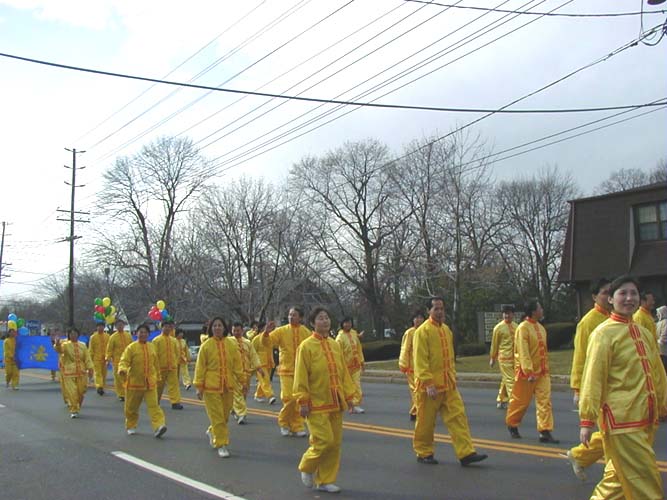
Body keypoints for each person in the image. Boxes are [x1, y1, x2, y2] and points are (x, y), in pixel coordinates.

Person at [579, 275, 667, 500]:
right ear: (610, 299)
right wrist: (587, 419)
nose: (629, 298)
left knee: (618, 481)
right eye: (623, 293)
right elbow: (593, 377)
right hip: (622, 421)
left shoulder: (643, 333)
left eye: (633, 293)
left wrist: (662, 404)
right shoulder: (603, 334)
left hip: (645, 418)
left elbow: (657, 373)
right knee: (646, 481)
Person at [412, 297, 488, 466]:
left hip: (448, 385)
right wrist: (428, 383)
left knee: (458, 417)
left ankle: (466, 453)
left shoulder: (446, 330)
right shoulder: (422, 332)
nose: (440, 312)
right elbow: (420, 360)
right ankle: (424, 452)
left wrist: (452, 376)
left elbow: (450, 358)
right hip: (429, 388)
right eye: (436, 309)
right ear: (429, 311)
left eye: (442, 309)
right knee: (425, 422)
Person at [295, 307, 357, 493]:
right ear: (312, 323)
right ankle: (307, 466)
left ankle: (325, 480)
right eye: (321, 318)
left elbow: (343, 373)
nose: (325, 321)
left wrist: (349, 396)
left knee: (335, 444)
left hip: (335, 401)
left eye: (327, 318)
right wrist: (302, 400)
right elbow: (301, 375)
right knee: (324, 440)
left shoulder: (334, 344)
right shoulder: (306, 346)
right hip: (316, 403)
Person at [562, 278, 611, 481]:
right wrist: (578, 388)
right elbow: (580, 356)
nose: (608, 297)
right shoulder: (588, 322)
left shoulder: (614, 318)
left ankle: (580, 456)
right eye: (604, 293)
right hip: (596, 386)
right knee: (612, 431)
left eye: (611, 292)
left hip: (615, 386)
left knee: (615, 430)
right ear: (594, 297)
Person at [505, 299, 558, 443]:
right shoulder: (523, 328)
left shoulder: (540, 328)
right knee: (521, 402)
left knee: (544, 401)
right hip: (527, 373)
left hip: (542, 372)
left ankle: (545, 431)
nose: (542, 310)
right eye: (540, 308)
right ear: (534, 311)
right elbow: (523, 351)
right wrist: (528, 371)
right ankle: (512, 424)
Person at [194, 316, 242, 458]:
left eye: (220, 325)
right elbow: (200, 367)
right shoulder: (206, 346)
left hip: (228, 386)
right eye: (214, 326)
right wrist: (199, 386)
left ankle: (212, 431)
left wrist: (243, 381)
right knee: (218, 418)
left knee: (225, 417)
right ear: (211, 328)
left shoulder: (231, 344)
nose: (217, 328)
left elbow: (237, 364)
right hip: (211, 387)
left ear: (224, 328)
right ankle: (222, 444)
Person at [261, 307, 311, 437]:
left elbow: (312, 350)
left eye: (294, 315)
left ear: (300, 317)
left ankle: (297, 426)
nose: (291, 317)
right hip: (286, 370)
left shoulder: (306, 332)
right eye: (289, 314)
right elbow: (267, 343)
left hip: (301, 371)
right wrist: (266, 333)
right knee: (289, 398)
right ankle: (284, 422)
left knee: (299, 399)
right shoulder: (281, 331)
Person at [118, 323, 166, 437]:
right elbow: (124, 361)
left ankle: (159, 426)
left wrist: (158, 376)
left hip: (150, 383)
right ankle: (131, 425)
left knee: (154, 406)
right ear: (136, 334)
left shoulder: (151, 347)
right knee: (131, 408)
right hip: (134, 384)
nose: (143, 334)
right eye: (141, 332)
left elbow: (155, 363)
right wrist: (122, 369)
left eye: (145, 332)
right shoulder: (131, 348)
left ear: (148, 334)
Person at [53, 327, 94, 418]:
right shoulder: (65, 345)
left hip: (82, 372)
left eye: (75, 333)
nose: (73, 335)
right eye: (71, 334)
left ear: (78, 335)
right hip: (69, 373)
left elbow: (87, 358)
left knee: (81, 392)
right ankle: (74, 409)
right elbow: (59, 349)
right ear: (68, 335)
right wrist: (57, 343)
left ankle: (76, 404)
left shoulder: (83, 345)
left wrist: (90, 368)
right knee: (72, 392)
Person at [231, 321, 262, 424]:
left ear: (242, 331)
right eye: (234, 330)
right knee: (237, 393)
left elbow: (253, 355)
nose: (236, 332)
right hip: (234, 373)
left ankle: (235, 409)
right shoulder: (228, 342)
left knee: (244, 393)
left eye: (238, 330)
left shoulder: (247, 343)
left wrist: (258, 367)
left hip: (247, 373)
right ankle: (242, 414)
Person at [489, 305, 518, 410]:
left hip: (515, 358)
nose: (507, 315)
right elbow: (494, 344)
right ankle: (514, 403)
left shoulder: (516, 327)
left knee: (506, 379)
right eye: (505, 313)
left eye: (509, 313)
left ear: (513, 314)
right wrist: (492, 357)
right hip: (504, 359)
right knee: (511, 380)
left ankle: (501, 399)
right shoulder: (498, 328)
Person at [398, 310, 425, 421]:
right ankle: (418, 411)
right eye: (416, 317)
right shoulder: (409, 333)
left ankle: (415, 411)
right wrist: (403, 364)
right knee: (416, 390)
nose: (419, 320)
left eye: (421, 317)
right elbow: (405, 349)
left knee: (422, 391)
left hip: (424, 368)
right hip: (412, 368)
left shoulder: (425, 331)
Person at [335, 317, 365, 414]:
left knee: (356, 386)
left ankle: (355, 404)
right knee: (346, 388)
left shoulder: (354, 333)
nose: (348, 325)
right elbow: (338, 354)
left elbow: (359, 348)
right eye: (346, 323)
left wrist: (362, 362)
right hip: (345, 368)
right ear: (342, 324)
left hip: (356, 366)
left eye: (349, 322)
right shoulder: (340, 338)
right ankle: (345, 404)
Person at [153, 318, 183, 410]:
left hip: (172, 367)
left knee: (174, 385)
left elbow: (177, 353)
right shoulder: (156, 340)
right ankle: (155, 401)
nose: (167, 328)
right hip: (160, 368)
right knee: (158, 386)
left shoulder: (173, 340)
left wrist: (175, 362)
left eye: (169, 327)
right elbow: (154, 355)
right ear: (161, 328)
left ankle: (175, 402)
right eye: (165, 327)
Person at [105, 319, 133, 402]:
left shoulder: (128, 335)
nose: (120, 326)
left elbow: (132, 346)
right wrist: (108, 359)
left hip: (127, 360)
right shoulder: (113, 337)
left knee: (128, 376)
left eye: (121, 325)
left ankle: (128, 392)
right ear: (116, 326)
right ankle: (121, 394)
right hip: (117, 361)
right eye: (118, 325)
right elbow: (109, 349)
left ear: (124, 326)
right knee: (118, 378)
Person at [252, 322, 276, 404]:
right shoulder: (256, 339)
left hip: (269, 363)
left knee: (263, 380)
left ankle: (258, 395)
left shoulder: (270, 338)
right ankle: (270, 396)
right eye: (266, 327)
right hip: (260, 364)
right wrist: (254, 364)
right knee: (266, 380)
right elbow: (252, 352)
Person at [89, 322, 110, 396]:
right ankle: (99, 386)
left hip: (105, 358)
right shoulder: (93, 337)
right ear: (96, 327)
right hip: (96, 358)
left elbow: (109, 348)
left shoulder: (107, 336)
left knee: (104, 374)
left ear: (104, 327)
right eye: (99, 326)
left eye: (102, 326)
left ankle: (102, 387)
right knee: (98, 373)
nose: (100, 328)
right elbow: (91, 349)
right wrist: (90, 359)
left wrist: (109, 358)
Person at [657, 305, 667, 373]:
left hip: (664, 350)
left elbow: (664, 336)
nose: (657, 315)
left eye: (658, 313)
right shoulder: (658, 323)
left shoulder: (665, 322)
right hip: (659, 350)